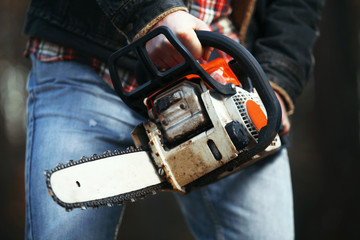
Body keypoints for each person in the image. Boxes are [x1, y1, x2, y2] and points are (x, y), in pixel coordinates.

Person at [24, 0, 323, 239]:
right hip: (87, 62)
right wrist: (150, 12)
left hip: (219, 72)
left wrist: (277, 79)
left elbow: (296, 6)